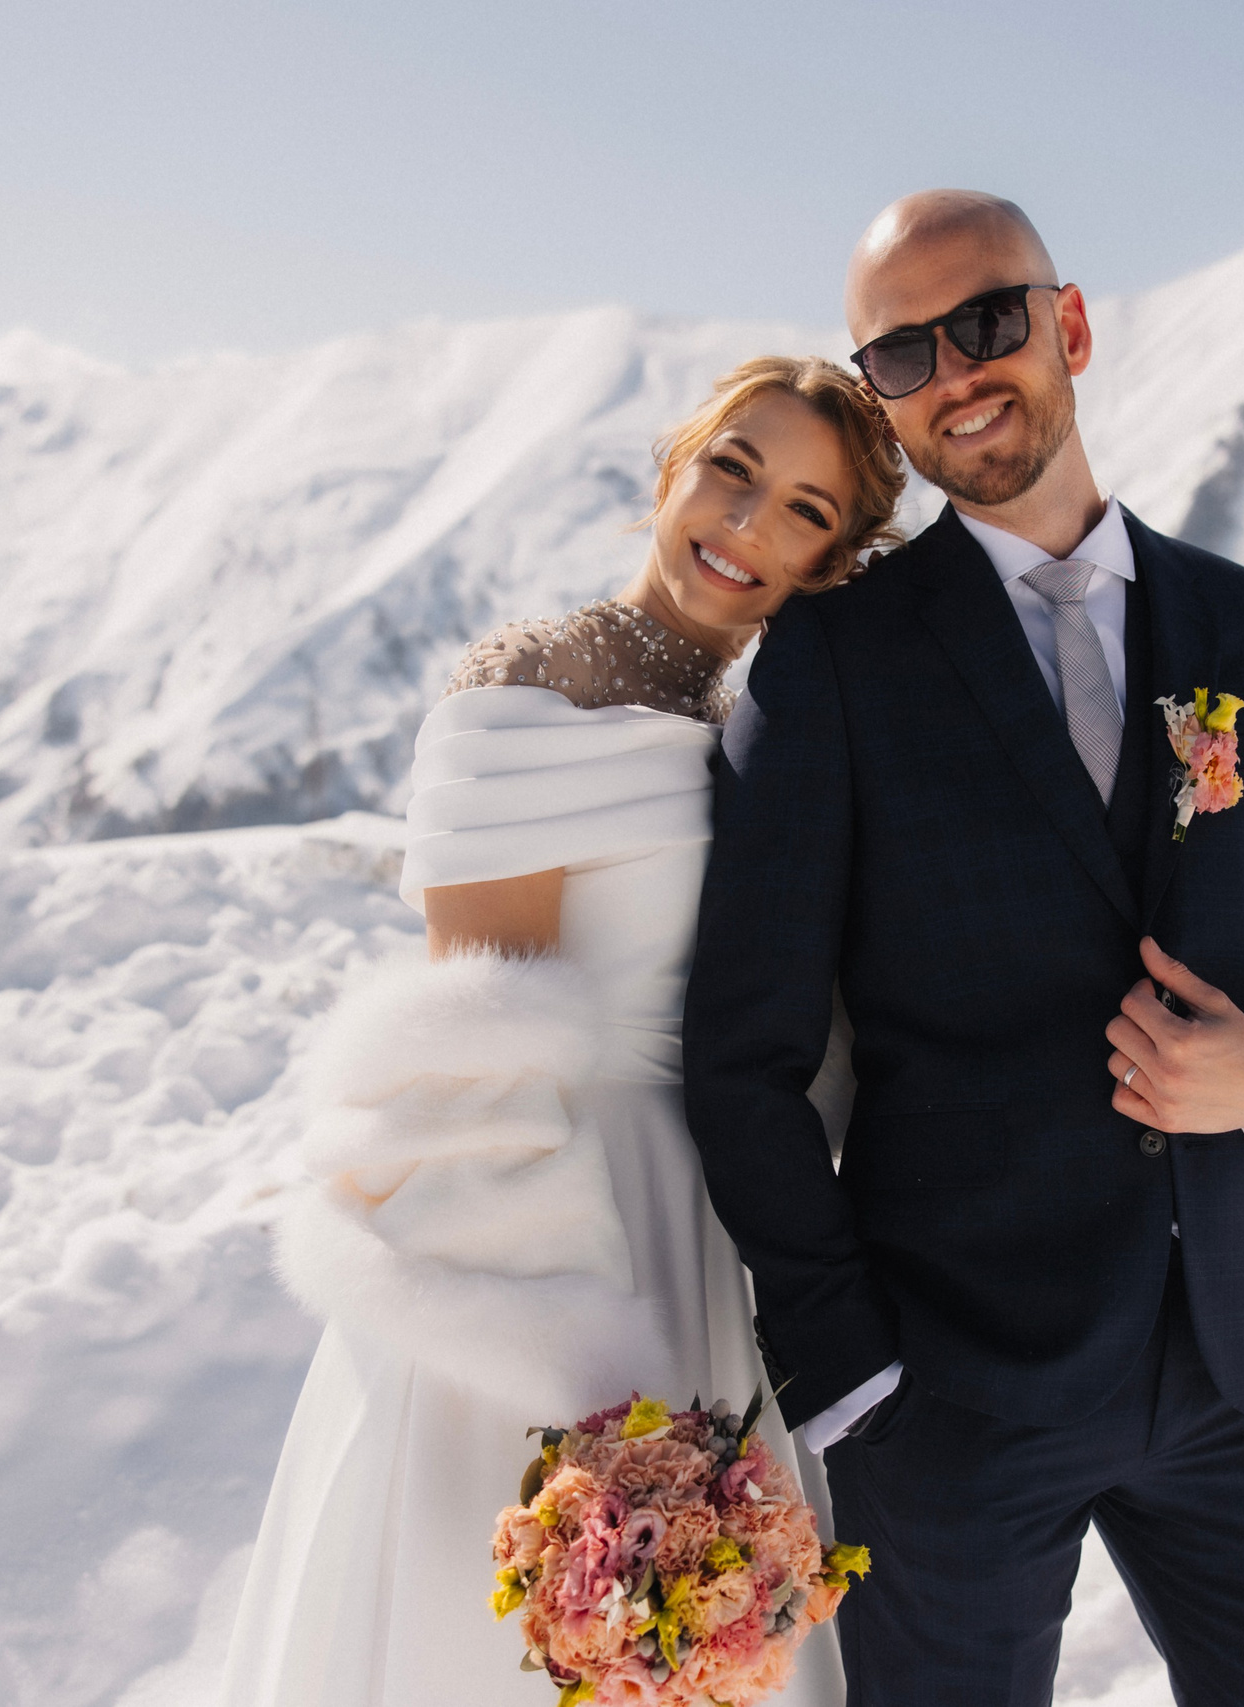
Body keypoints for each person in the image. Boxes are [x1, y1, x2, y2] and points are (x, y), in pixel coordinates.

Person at [682, 193, 1244, 1704]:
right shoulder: (834, 662)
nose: (955, 370)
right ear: (884, 400)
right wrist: (853, 1377)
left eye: (987, 321)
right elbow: (744, 1053)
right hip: (955, 1405)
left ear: (1069, 325)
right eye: (903, 352)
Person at [224, 356, 904, 1707]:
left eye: (806, 511)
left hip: (708, 1242)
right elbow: (469, 1053)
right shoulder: (531, 686)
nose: (748, 523)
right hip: (539, 1249)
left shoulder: (758, 733)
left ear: (830, 563)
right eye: (735, 468)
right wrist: (594, 1392)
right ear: (673, 468)